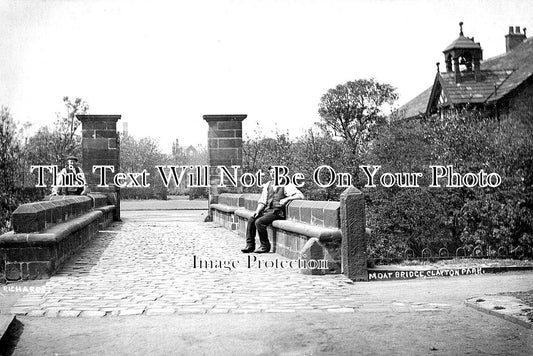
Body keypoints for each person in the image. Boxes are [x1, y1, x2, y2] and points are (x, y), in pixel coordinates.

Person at [241, 166, 304, 254]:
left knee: (259, 222)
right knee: (252, 219)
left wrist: (287, 199)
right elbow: (262, 201)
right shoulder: (268, 184)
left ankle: (265, 245)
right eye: (271, 172)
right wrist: (257, 211)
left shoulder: (286, 184)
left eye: (275, 172)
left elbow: (300, 195)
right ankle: (250, 245)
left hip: (277, 212)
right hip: (267, 211)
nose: (273, 174)